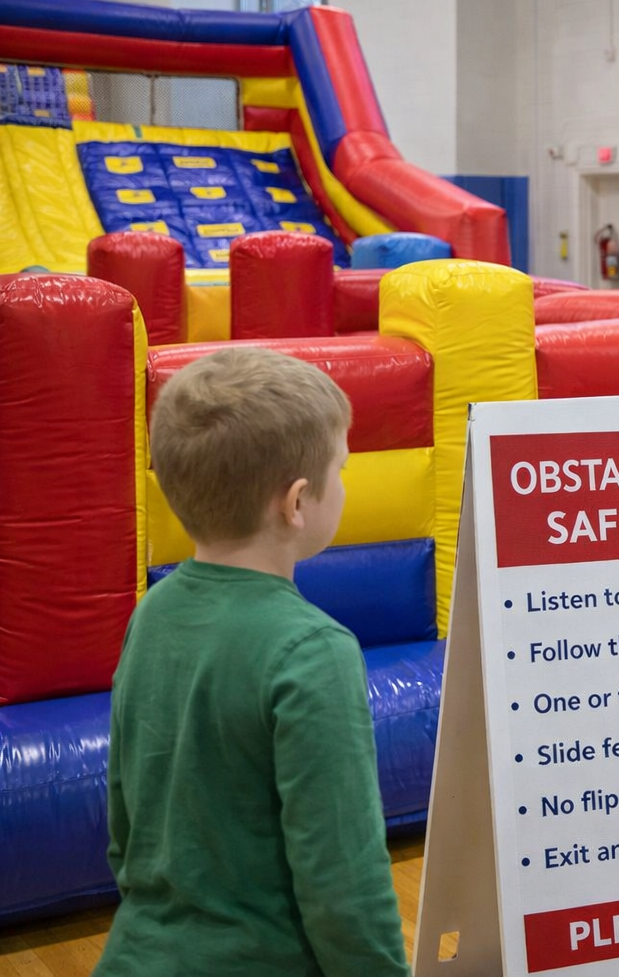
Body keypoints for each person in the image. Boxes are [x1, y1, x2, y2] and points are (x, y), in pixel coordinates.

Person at [95, 347, 411, 977]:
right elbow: (343, 880)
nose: (343, 484)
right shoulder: (313, 651)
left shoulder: (153, 613)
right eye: (340, 469)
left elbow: (125, 817)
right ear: (296, 503)